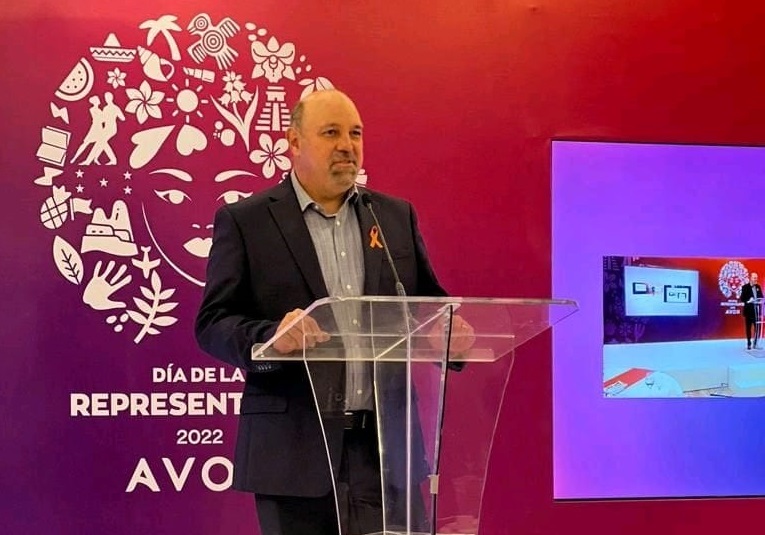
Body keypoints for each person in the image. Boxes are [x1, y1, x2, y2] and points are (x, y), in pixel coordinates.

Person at [195, 89, 472, 535]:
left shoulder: (394, 217)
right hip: (295, 453)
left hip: (387, 451)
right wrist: (270, 337)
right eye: (331, 133)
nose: (347, 145)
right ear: (294, 142)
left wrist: (449, 334)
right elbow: (213, 323)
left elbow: (429, 309)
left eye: (355, 133)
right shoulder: (247, 222)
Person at [741, 272, 763, 350]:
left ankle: (755, 343)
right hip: (748, 311)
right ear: (751, 278)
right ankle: (749, 343)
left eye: (756, 278)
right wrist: (748, 301)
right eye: (754, 278)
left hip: (756, 312)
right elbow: (742, 298)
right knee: (748, 328)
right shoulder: (745, 287)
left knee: (757, 328)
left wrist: (760, 300)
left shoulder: (758, 287)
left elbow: (761, 297)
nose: (756, 279)